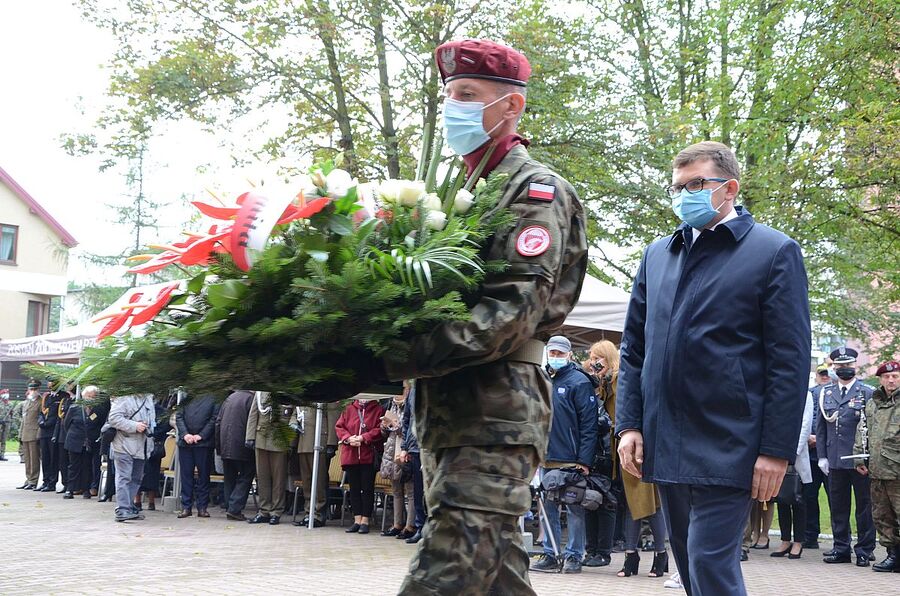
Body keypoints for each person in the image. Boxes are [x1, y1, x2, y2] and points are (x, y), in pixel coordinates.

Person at [383, 38, 587, 594]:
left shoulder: (534, 192)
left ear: (512, 105)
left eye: (468, 94)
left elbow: (510, 314)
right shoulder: (460, 194)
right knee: (496, 578)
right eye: (449, 95)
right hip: (452, 410)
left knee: (445, 575)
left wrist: (395, 356)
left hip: (496, 412)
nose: (454, 108)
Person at [616, 141, 812, 596]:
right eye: (677, 187)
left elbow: (789, 358)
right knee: (688, 566)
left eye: (696, 184)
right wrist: (629, 424)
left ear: (729, 188)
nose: (684, 195)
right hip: (666, 440)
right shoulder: (658, 255)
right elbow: (634, 349)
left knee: (709, 562)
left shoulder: (773, 251)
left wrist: (776, 449)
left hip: (731, 442)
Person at [531, 335, 598, 574]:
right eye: (553, 353)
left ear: (569, 354)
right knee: (547, 508)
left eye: (560, 353)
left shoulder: (579, 382)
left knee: (573, 508)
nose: (556, 357)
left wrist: (584, 460)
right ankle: (550, 553)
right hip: (546, 457)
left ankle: (574, 556)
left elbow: (589, 425)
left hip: (571, 458)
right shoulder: (543, 378)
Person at [816, 346, 876, 566]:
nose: (844, 369)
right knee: (838, 507)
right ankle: (841, 548)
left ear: (855, 366)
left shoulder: (866, 392)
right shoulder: (826, 393)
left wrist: (870, 458)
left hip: (860, 460)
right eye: (840, 366)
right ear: (834, 368)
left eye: (848, 365)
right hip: (834, 459)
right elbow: (821, 427)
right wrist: (822, 456)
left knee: (864, 507)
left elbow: (873, 427)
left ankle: (864, 550)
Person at [854, 360, 900, 572]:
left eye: (895, 376)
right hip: (877, 469)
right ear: (880, 379)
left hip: (897, 470)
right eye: (887, 377)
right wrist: (859, 458)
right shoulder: (873, 403)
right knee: (882, 516)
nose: (891, 380)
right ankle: (893, 555)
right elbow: (862, 430)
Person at [583, 340, 617, 568]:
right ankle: (591, 549)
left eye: (599, 358)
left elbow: (611, 419)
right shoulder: (596, 383)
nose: (595, 363)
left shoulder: (617, 383)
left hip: (610, 450)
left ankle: (604, 551)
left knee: (606, 501)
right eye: (593, 358)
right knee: (589, 500)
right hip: (593, 449)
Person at [771, 390, 814, 559]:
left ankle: (798, 541)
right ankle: (785, 540)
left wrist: (791, 452)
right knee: (782, 498)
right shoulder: (780, 392)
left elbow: (805, 425)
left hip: (796, 454)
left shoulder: (805, 395)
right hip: (778, 451)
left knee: (798, 499)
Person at [335, 396, 386, 535]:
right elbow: (340, 426)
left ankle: (365, 520)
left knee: (367, 489)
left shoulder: (378, 410)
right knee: (354, 489)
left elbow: (379, 430)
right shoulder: (349, 408)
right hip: (351, 455)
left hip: (368, 456)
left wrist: (364, 438)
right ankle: (357, 519)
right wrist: (348, 438)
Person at [105, 393, 155, 522]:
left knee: (137, 478)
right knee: (124, 476)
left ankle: (128, 506)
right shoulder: (123, 398)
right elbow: (114, 418)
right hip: (123, 444)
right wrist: (135, 426)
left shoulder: (149, 398)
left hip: (142, 446)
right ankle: (122, 509)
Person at [290, 402, 341, 528]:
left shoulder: (326, 394)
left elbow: (333, 416)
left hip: (319, 442)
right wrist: (293, 423)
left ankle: (318, 513)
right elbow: (296, 412)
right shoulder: (303, 397)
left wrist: (331, 443)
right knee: (307, 481)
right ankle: (309, 512)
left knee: (319, 482)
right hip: (303, 442)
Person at [245, 391, 292, 525]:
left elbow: (292, 414)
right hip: (261, 438)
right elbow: (253, 414)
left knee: (278, 478)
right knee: (262, 477)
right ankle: (264, 510)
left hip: (279, 438)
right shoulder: (260, 392)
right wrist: (250, 436)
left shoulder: (287, 389)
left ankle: (276, 511)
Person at [379, 389, 415, 537]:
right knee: (396, 490)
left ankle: (410, 526)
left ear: (407, 390)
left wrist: (394, 425)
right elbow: (386, 433)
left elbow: (409, 429)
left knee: (410, 490)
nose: (397, 393)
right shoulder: (390, 405)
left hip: (405, 449)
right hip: (391, 449)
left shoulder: (410, 404)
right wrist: (384, 427)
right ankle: (397, 524)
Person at [216, 389, 255, 521]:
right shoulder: (251, 399)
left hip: (226, 445)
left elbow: (218, 422)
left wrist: (219, 447)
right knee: (246, 476)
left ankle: (230, 507)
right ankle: (234, 508)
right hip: (243, 446)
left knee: (229, 478)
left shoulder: (229, 398)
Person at [804, 364, 832, 549]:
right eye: (821, 374)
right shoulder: (809, 393)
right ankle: (810, 536)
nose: (824, 377)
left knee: (837, 500)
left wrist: (820, 439)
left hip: (831, 455)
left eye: (827, 374)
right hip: (811, 456)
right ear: (816, 376)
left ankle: (841, 538)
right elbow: (805, 417)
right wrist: (808, 437)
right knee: (808, 498)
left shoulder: (836, 394)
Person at [397, 380, 426, 543]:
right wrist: (404, 447)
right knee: (418, 490)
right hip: (415, 448)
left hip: (432, 448)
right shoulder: (413, 391)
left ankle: (431, 529)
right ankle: (420, 527)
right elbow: (407, 420)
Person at [62, 388, 101, 499]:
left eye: (94, 396)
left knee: (87, 466)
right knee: (73, 466)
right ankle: (70, 489)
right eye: (89, 396)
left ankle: (86, 489)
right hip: (75, 440)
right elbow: (66, 424)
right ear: (84, 396)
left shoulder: (97, 409)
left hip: (89, 442)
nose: (91, 399)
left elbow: (98, 425)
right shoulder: (74, 408)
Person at [135, 397, 171, 511]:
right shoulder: (138, 409)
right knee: (137, 473)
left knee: (152, 475)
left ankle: (151, 502)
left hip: (154, 446)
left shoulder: (161, 411)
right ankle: (137, 501)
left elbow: (166, 425)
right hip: (139, 444)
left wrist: (152, 434)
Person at [36, 381, 65, 492]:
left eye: (52, 383)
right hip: (44, 432)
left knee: (53, 458)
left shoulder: (62, 397)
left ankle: (52, 482)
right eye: (49, 384)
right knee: (45, 458)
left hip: (53, 432)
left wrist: (48, 423)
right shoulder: (47, 396)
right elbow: (42, 412)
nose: (50, 385)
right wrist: (41, 422)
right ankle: (45, 480)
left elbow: (58, 416)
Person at [16, 380, 42, 490]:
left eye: (35, 389)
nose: (33, 391)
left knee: (34, 459)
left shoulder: (41, 402)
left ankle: (33, 480)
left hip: (34, 433)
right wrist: (20, 434)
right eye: (31, 389)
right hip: (25, 433)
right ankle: (28, 479)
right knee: (27, 459)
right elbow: (23, 420)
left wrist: (38, 434)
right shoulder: (27, 402)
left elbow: (41, 420)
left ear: (38, 389)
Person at [0, 390, 12, 461]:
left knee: (4, 440)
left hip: (7, 423)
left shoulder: (10, 404)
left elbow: (12, 414)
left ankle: (2, 454)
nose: (6, 395)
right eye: (4, 393)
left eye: (7, 393)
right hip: (0, 423)